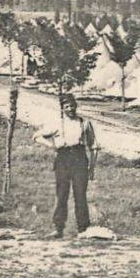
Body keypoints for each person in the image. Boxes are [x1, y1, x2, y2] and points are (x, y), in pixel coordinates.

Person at [33, 94, 96, 239]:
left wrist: (92, 168)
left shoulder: (84, 123)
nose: (70, 109)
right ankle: (58, 228)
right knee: (62, 195)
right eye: (66, 106)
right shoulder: (56, 123)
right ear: (62, 108)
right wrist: (52, 145)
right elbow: (37, 136)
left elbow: (93, 146)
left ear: (76, 106)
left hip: (80, 159)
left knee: (80, 195)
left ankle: (83, 229)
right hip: (63, 159)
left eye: (72, 105)